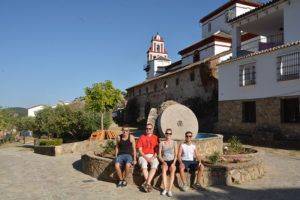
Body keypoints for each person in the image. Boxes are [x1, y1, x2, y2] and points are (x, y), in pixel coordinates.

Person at [136, 123, 159, 192]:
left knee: (155, 165)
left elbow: (157, 150)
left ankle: (147, 183)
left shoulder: (155, 138)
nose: (148, 130)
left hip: (152, 155)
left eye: (150, 129)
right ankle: (148, 184)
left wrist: (153, 157)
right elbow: (140, 150)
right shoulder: (141, 137)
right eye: (147, 129)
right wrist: (146, 157)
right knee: (143, 165)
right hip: (143, 155)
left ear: (152, 130)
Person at [158, 128, 177, 197]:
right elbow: (159, 155)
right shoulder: (161, 143)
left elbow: (176, 155)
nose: (168, 135)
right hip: (165, 160)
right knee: (163, 170)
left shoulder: (174, 143)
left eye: (170, 133)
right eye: (167, 133)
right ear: (165, 134)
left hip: (172, 161)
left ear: (171, 134)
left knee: (173, 170)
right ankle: (165, 188)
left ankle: (169, 190)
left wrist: (174, 163)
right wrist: (163, 161)